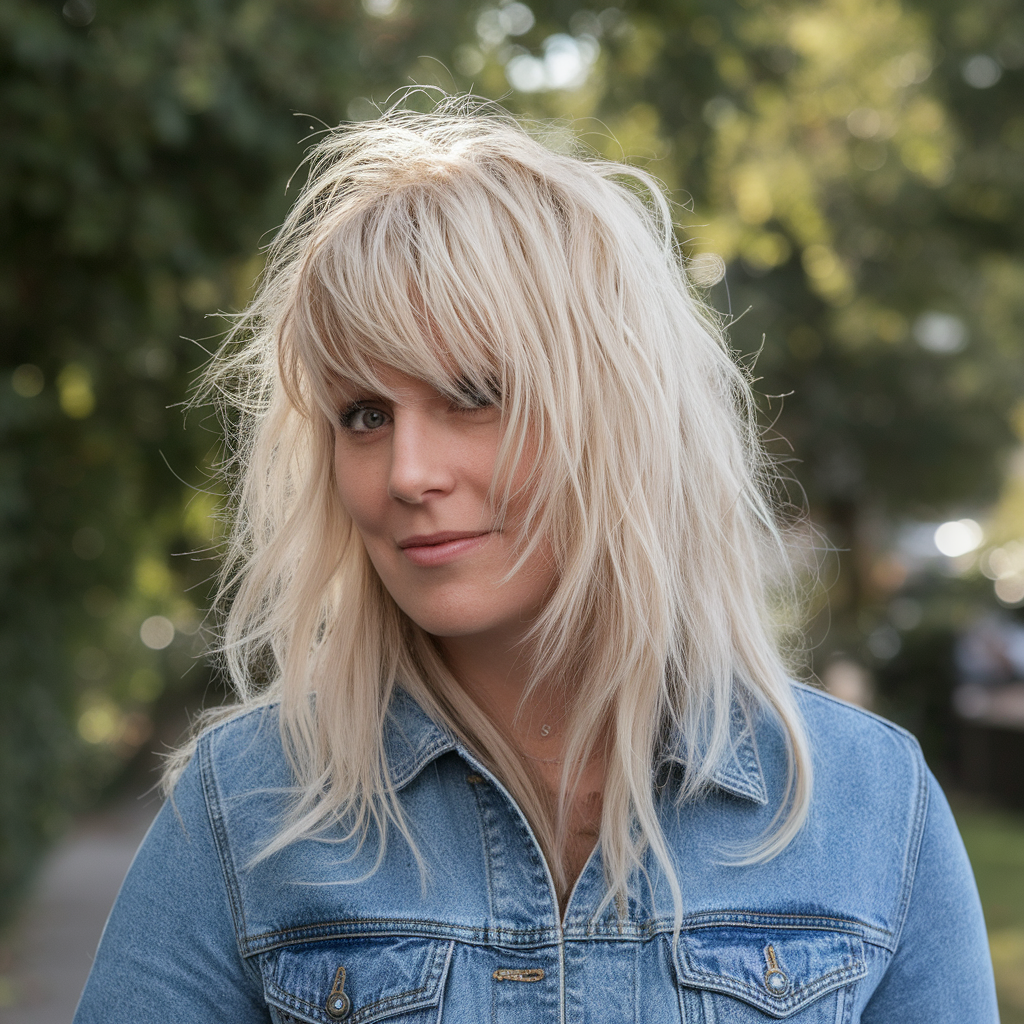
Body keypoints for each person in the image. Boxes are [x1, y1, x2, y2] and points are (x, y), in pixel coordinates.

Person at [74, 96, 997, 1023]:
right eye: (364, 415)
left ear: (620, 415)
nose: (408, 471)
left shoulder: (869, 805)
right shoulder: (252, 809)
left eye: (474, 395)